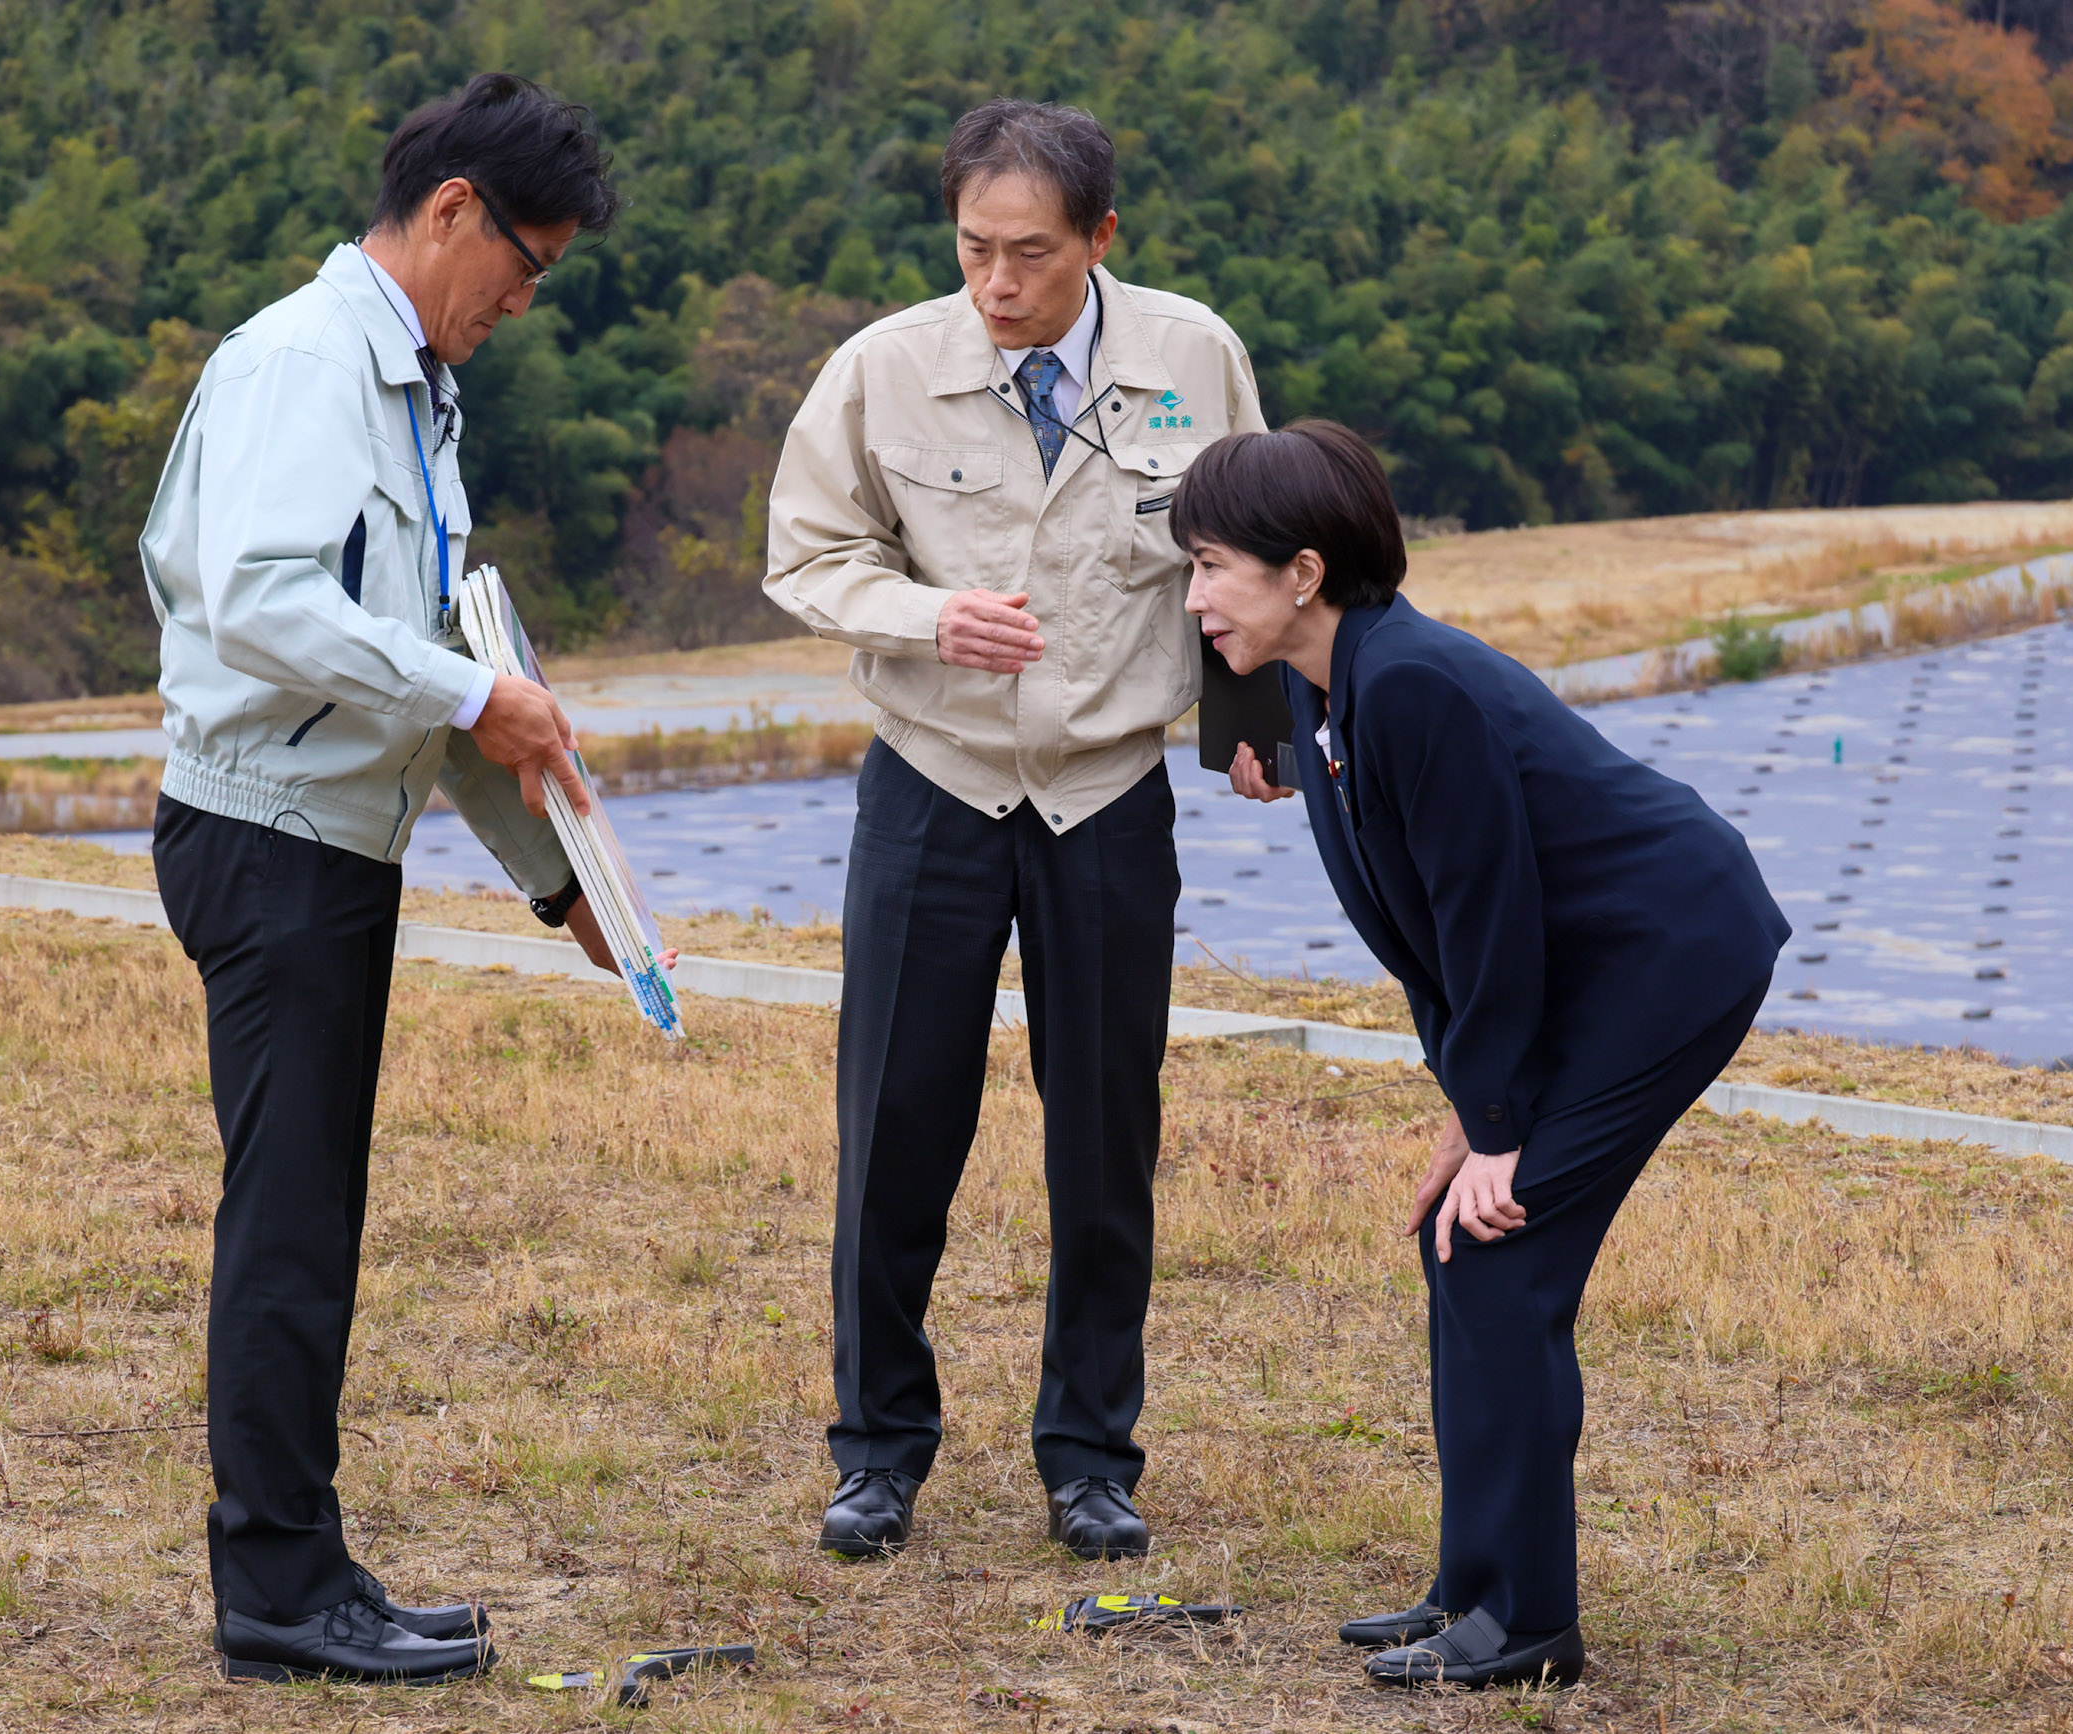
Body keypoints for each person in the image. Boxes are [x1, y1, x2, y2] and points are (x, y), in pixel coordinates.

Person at [138, 74, 625, 1685]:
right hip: (263, 841)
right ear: (453, 212)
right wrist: (475, 698)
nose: (524, 301)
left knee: (315, 1218)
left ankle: (311, 1564)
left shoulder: (415, 396)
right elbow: (265, 602)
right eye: (528, 263)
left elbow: (430, 669)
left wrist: (569, 889)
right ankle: (276, 1591)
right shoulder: (302, 362)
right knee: (287, 1226)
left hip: (336, 845)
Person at [1178, 422, 1789, 1689]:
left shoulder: (1411, 687)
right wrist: (1469, 1103)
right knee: (1455, 1243)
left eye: (1210, 569)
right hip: (1583, 971)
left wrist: (1498, 1128)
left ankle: (1524, 1627)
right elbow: (1419, 929)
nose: (1191, 599)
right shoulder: (1323, 682)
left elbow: (1489, 918)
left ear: (1302, 572)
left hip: (1667, 956)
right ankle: (1470, 1590)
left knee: (1496, 1254)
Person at [762, 99, 1266, 1562]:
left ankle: (1092, 1453)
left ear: (1101, 239)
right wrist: (927, 614)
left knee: (1105, 1133)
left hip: (1109, 790)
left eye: (1030, 256)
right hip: (934, 775)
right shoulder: (881, 368)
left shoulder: (1198, 357)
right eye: (974, 249)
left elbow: (1245, 550)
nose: (997, 285)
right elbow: (808, 552)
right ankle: (878, 1447)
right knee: (897, 1121)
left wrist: (1260, 732)